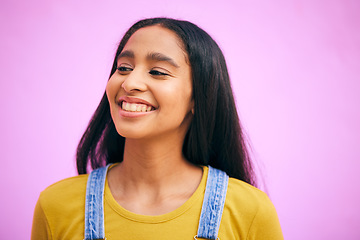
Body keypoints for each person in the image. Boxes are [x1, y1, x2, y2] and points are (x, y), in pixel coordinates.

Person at [31, 17, 283, 239]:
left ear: (198, 98)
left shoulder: (251, 211)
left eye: (158, 72)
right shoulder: (55, 206)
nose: (130, 82)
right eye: (124, 68)